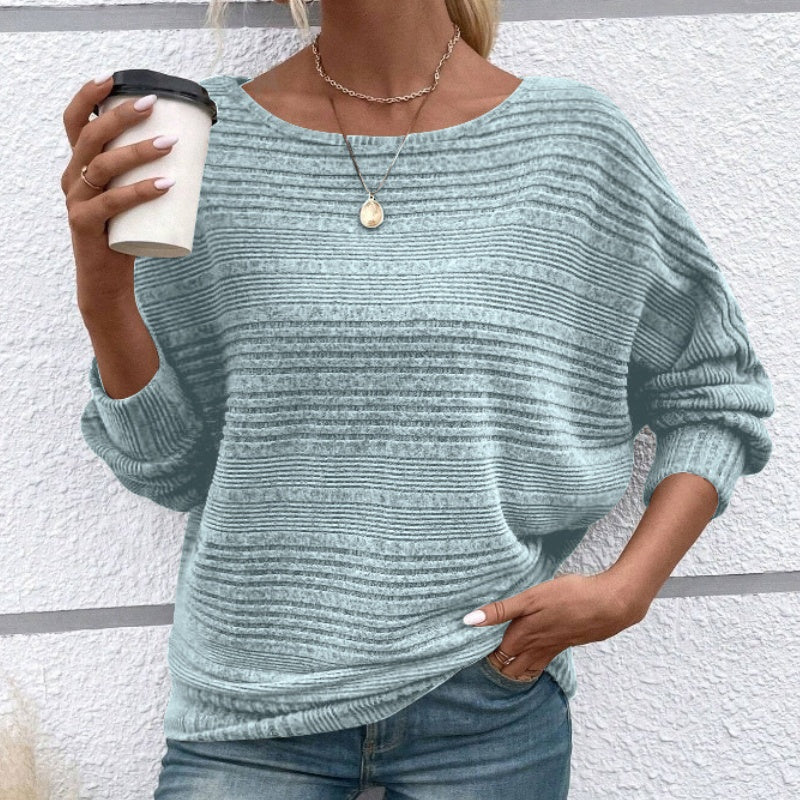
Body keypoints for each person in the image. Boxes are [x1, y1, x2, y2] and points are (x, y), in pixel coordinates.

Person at [61, 0, 775, 797]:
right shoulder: (202, 141)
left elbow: (715, 388)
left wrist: (627, 590)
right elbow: (173, 469)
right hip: (248, 710)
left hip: (486, 699)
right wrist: (103, 292)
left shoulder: (573, 143)